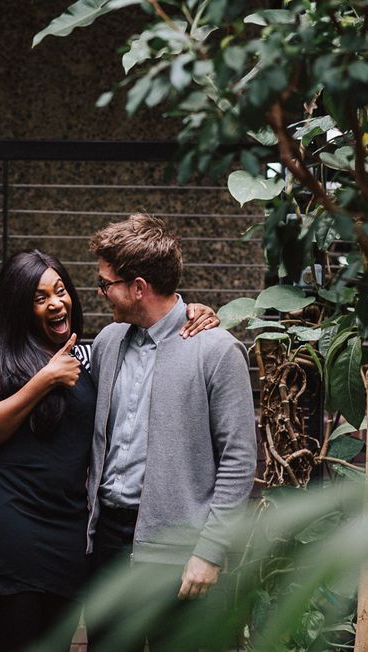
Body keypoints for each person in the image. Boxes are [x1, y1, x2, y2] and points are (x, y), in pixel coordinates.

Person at [0, 249, 219, 652]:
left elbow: (155, 327)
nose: (56, 303)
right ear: (19, 305)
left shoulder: (91, 354)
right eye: (40, 297)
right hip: (11, 525)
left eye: (60, 290)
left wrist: (192, 311)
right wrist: (45, 379)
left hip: (69, 533)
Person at [84, 214, 258, 651]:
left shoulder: (217, 350)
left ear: (138, 287)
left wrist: (209, 552)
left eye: (106, 284)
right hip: (108, 546)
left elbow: (239, 461)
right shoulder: (108, 341)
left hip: (179, 555)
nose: (100, 292)